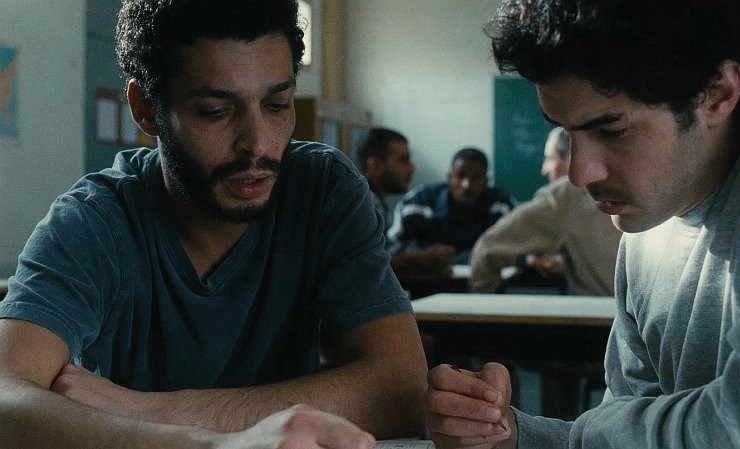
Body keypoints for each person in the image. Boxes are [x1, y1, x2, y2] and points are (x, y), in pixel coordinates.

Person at [0, 1, 427, 448]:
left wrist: (144, 410)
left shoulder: (321, 190)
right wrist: (218, 445)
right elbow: (6, 398)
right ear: (146, 108)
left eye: (277, 104)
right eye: (215, 111)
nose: (258, 144)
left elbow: (400, 389)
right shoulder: (94, 223)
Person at [425, 1, 740, 448]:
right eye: (568, 133)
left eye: (612, 130)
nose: (579, 173)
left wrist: (597, 428)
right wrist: (514, 435)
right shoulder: (645, 236)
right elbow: (623, 438)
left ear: (717, 93)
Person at [469, 127, 621, 295]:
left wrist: (484, 304)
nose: (544, 170)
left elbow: (486, 250)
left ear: (574, 158)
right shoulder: (625, 184)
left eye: (549, 159)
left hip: (602, 311)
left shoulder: (563, 197)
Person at [388, 147, 515, 266]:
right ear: (449, 177)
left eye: (475, 178)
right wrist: (423, 256)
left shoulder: (500, 206)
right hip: (424, 278)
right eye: (460, 176)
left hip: (481, 278)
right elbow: (390, 250)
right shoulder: (418, 203)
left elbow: (511, 249)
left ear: (486, 181)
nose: (466, 185)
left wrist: (455, 259)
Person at [357, 127, 456, 277]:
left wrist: (424, 255)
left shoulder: (373, 201)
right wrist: (419, 260)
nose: (412, 168)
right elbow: (366, 264)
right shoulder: (364, 204)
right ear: (375, 165)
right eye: (403, 160)